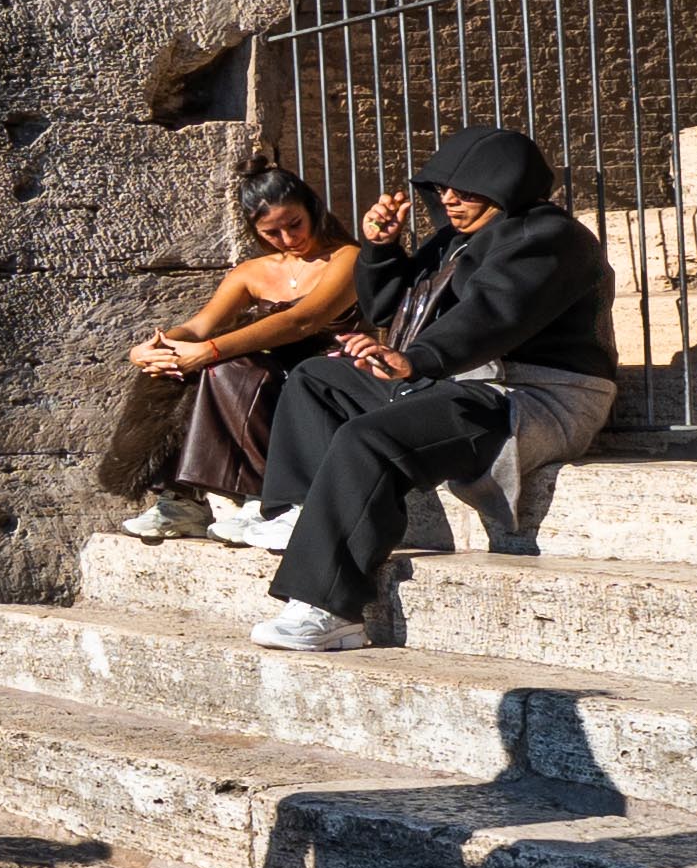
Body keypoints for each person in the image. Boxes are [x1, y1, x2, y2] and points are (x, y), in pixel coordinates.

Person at [231, 125, 617, 654]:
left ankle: (328, 611)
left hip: (531, 396)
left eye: (467, 190)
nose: (450, 198)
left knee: (368, 439)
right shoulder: (459, 240)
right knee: (319, 380)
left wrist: (415, 360)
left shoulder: (549, 238)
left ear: (508, 186)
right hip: (455, 379)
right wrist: (382, 248)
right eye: (443, 189)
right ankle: (300, 513)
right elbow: (392, 307)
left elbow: (493, 316)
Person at [121, 171, 365, 540]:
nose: (287, 238)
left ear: (313, 208)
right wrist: (150, 349)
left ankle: (264, 498)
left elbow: (302, 320)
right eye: (271, 232)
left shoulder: (347, 258)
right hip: (265, 366)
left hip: (325, 366)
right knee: (175, 368)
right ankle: (182, 499)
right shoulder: (253, 271)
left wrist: (209, 351)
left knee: (229, 366)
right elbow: (199, 327)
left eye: (295, 224)